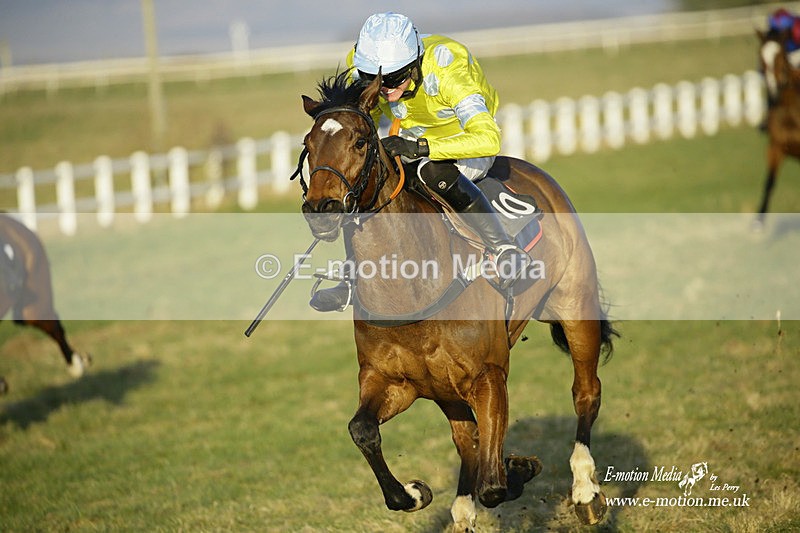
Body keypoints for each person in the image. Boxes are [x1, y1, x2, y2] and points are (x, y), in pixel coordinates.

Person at [310, 12, 529, 312]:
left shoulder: (447, 66)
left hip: (466, 144)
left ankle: (503, 248)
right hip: (410, 140)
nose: (385, 89)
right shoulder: (364, 63)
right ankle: (353, 275)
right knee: (367, 179)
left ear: (414, 64)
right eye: (377, 80)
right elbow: (364, 122)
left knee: (429, 169)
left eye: (395, 78)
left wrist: (422, 146)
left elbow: (488, 139)